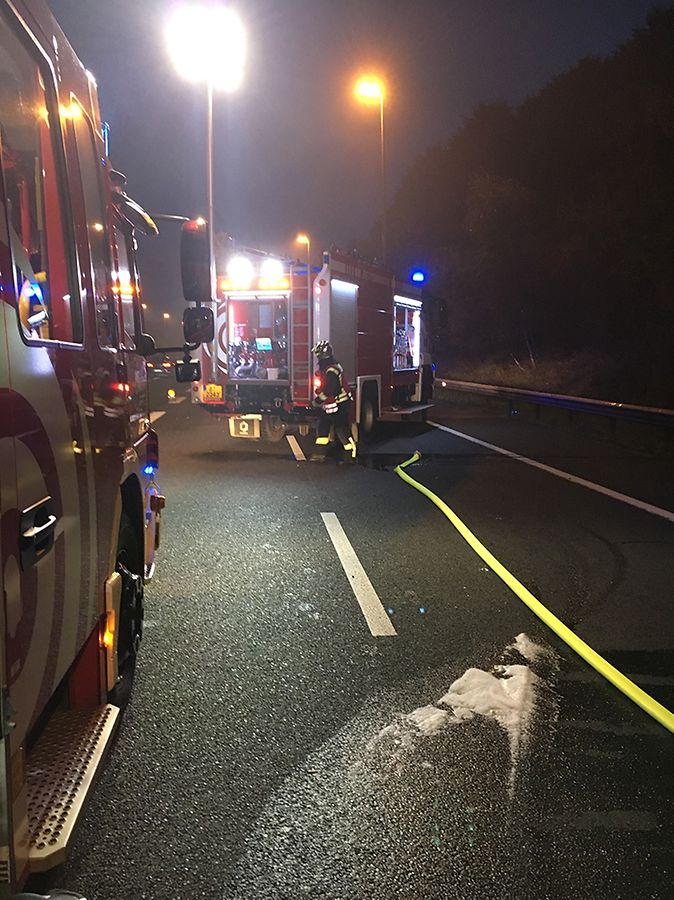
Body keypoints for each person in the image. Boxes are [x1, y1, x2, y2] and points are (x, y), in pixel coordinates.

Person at [310, 340, 357, 463]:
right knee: (323, 427)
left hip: (340, 404)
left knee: (342, 430)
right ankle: (320, 454)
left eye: (318, 355)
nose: (318, 359)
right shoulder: (330, 368)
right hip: (333, 404)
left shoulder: (331, 370)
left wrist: (316, 401)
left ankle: (350, 456)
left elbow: (329, 390)